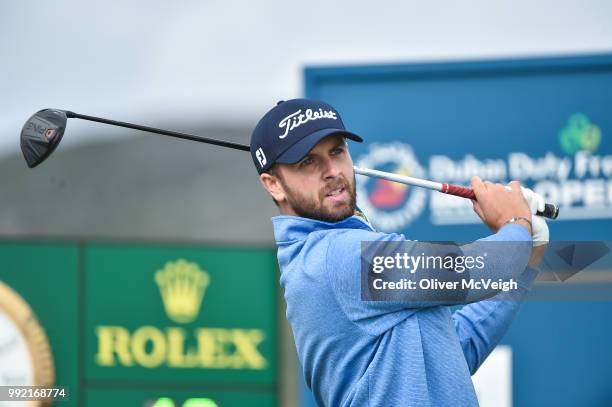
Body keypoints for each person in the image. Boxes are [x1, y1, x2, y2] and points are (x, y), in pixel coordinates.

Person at [250, 98, 548, 407]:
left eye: (337, 151)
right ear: (274, 185)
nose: (332, 171)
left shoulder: (341, 253)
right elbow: (483, 268)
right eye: (307, 162)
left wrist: (526, 257)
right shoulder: (338, 258)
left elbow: (455, 352)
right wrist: (516, 223)